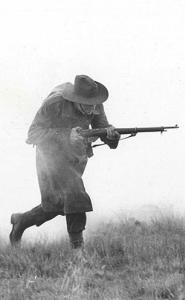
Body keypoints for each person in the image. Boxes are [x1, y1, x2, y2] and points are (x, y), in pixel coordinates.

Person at [9, 75, 121, 249]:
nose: (91, 109)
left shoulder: (95, 102)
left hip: (76, 156)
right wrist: (66, 135)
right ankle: (78, 251)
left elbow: (102, 129)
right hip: (50, 157)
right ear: (75, 99)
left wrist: (112, 136)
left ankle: (21, 221)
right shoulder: (54, 103)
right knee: (75, 193)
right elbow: (33, 134)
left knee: (56, 205)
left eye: (93, 105)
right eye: (86, 105)